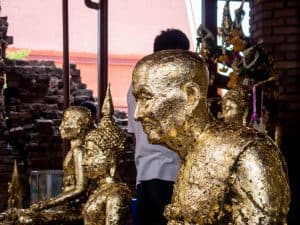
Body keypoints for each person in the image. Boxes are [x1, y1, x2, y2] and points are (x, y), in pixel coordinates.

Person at [132, 49, 290, 225]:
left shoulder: (246, 152)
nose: (137, 114)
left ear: (190, 96)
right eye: (137, 100)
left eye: (147, 98)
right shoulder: (190, 153)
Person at [127, 28, 189, 225]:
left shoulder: (134, 85)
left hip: (145, 175)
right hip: (172, 176)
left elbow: (134, 135)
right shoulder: (174, 85)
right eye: (182, 56)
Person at [82, 86, 131, 225]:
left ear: (110, 158)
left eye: (90, 155)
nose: (84, 162)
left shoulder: (116, 196)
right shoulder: (101, 190)